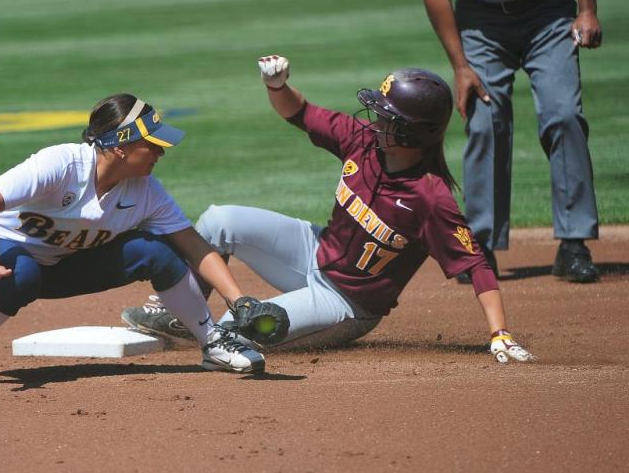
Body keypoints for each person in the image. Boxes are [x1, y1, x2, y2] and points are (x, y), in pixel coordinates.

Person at [122, 55, 534, 364]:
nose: (375, 120)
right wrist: (278, 86)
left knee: (232, 332)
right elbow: (299, 112)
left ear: (411, 131)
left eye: (386, 117)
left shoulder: (431, 197)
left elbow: (475, 263)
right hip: (312, 250)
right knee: (219, 220)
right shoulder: (362, 140)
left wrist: (499, 332)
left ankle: (211, 334)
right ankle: (177, 312)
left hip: (346, 304)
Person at [0, 93, 266, 386]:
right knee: (21, 273)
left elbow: (193, 245)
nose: (162, 152)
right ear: (121, 146)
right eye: (153, 144)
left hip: (63, 267)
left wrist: (238, 300)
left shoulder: (146, 192)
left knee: (156, 251)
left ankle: (214, 344)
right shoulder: (62, 164)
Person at [407, 0, 601, 283]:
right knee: (485, 122)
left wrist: (586, 9)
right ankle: (481, 245)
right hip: (479, 20)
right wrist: (460, 66)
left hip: (548, 9)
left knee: (564, 114)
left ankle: (574, 244)